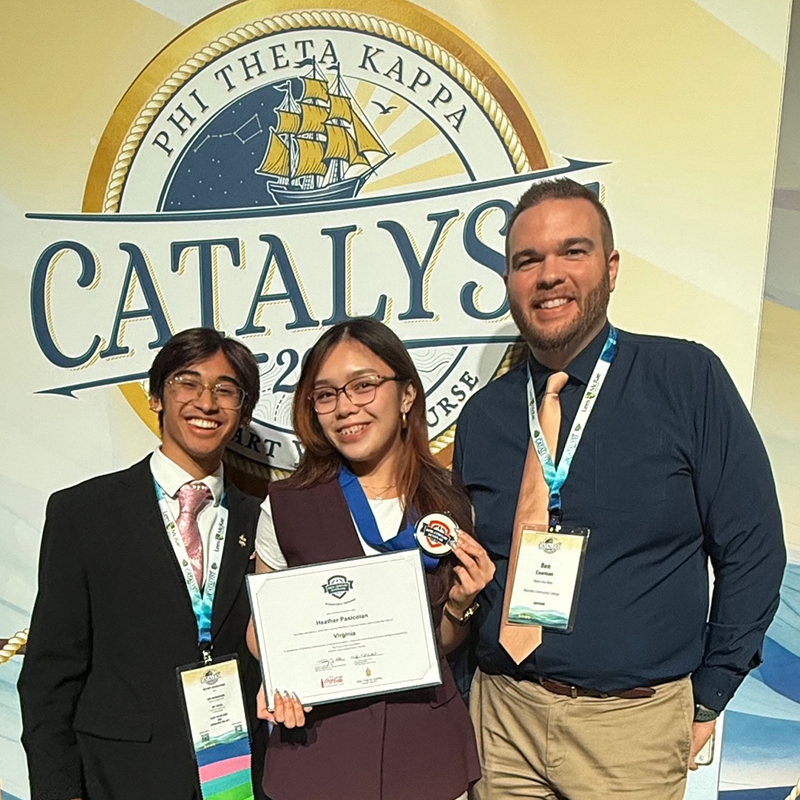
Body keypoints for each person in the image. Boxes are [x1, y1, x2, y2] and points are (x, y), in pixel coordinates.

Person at [453, 178, 786, 800]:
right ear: (509, 282)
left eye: (572, 252)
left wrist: (710, 693)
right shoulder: (484, 415)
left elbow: (753, 549)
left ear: (611, 269)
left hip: (630, 727)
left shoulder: (686, 379)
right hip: (501, 721)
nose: (548, 275)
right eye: (528, 260)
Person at [249, 317, 492, 800]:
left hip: (425, 752)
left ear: (406, 395)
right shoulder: (285, 506)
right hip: (320, 751)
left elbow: (439, 644)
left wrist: (461, 604)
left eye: (363, 386)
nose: (345, 408)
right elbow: (262, 632)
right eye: (326, 394)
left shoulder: (450, 506)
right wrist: (278, 677)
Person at [19, 328, 266, 800]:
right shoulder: (84, 513)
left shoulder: (264, 519)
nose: (206, 403)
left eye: (226, 390)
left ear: (243, 411)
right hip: (118, 776)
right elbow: (50, 672)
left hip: (235, 775)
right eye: (187, 383)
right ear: (156, 397)